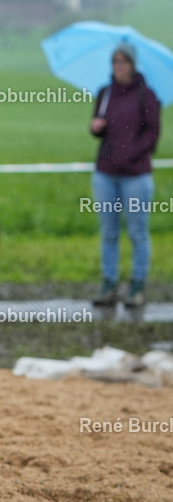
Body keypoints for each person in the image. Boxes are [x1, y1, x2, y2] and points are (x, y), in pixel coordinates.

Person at [89, 42, 160, 320]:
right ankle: (109, 283)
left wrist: (131, 154)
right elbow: (98, 126)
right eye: (116, 63)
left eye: (124, 63)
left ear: (132, 65)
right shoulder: (105, 94)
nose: (119, 68)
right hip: (106, 172)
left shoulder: (146, 95)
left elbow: (152, 134)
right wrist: (95, 128)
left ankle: (137, 285)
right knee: (108, 232)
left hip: (136, 175)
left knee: (137, 232)